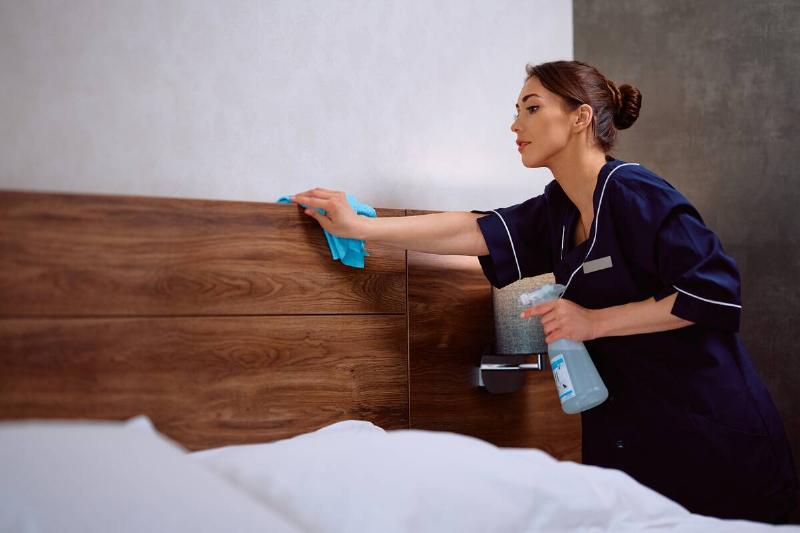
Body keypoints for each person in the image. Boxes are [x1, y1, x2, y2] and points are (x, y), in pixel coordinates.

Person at [289, 60, 798, 523]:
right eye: (516, 111)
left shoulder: (635, 193)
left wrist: (594, 322)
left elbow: (713, 293)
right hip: (633, 440)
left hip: (712, 439)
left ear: (580, 118)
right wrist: (360, 229)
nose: (516, 125)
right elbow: (476, 231)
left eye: (531, 108)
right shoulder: (558, 208)